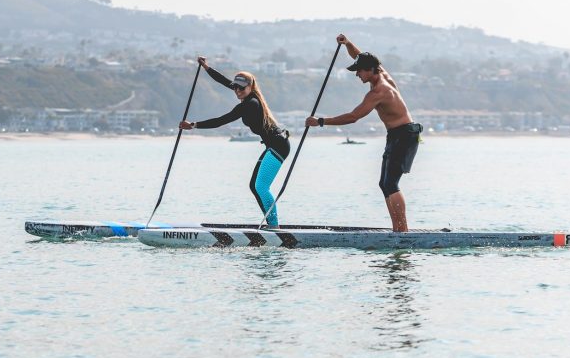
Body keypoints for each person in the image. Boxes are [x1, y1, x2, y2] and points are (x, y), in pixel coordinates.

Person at [306, 34, 422, 232]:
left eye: (358, 71)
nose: (356, 74)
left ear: (370, 70)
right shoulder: (380, 72)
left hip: (405, 135)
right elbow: (358, 55)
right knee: (384, 184)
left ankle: (402, 231)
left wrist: (321, 121)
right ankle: (398, 230)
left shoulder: (379, 92)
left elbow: (353, 117)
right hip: (395, 135)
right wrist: (347, 44)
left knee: (391, 183)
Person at [180, 57, 290, 229]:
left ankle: (274, 227)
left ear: (250, 87)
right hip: (273, 145)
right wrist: (206, 67)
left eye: (241, 88)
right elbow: (223, 80)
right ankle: (270, 224)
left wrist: (193, 125)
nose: (237, 91)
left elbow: (220, 121)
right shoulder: (245, 93)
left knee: (261, 186)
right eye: (235, 87)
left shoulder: (250, 104)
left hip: (279, 145)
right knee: (254, 186)